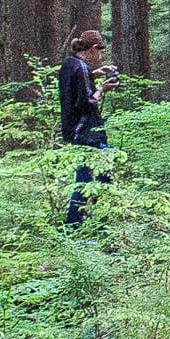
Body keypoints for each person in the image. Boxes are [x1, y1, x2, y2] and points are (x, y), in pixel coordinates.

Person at [59, 29, 117, 226]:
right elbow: (86, 102)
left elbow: (72, 87)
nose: (100, 56)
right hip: (88, 134)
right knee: (98, 181)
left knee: (85, 180)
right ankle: (92, 226)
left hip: (73, 131)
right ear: (93, 48)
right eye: (99, 51)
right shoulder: (81, 68)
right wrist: (102, 88)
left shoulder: (70, 64)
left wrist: (93, 75)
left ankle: (79, 226)